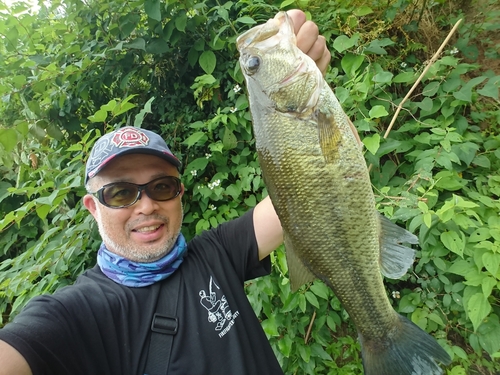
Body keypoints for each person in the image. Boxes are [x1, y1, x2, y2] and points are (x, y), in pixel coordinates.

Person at [0, 9, 330, 375]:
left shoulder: (217, 254)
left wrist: (295, 99)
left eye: (161, 187)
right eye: (121, 193)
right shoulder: (77, 313)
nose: (146, 205)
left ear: (180, 194)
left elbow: (297, 194)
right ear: (93, 208)